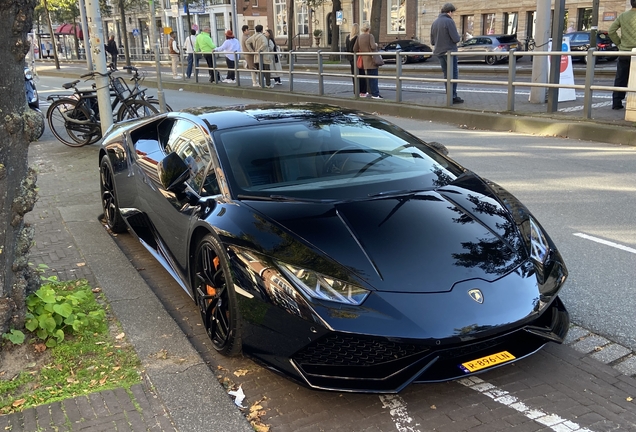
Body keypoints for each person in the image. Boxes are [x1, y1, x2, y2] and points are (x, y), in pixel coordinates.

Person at [430, 3, 463, 104]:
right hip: (449, 52)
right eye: (452, 13)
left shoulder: (434, 22)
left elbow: (432, 41)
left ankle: (449, 95)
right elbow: (455, 38)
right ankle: (453, 96)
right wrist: (459, 36)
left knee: (446, 74)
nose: (453, 15)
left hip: (439, 52)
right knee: (453, 74)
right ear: (449, 12)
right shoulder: (449, 21)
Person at [609, 0, 636, 110]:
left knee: (621, 78)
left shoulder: (623, 16)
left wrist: (619, 44)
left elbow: (611, 31)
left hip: (624, 52)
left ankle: (617, 102)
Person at [353, 21, 382, 99]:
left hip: (365, 60)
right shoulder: (370, 36)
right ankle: (375, 94)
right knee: (374, 78)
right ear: (369, 29)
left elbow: (354, 48)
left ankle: (372, 93)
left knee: (370, 77)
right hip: (372, 60)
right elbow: (373, 46)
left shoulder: (359, 37)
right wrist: (376, 45)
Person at [346, 23, 367, 97]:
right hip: (357, 58)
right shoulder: (357, 38)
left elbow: (347, 48)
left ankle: (356, 90)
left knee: (354, 75)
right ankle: (362, 91)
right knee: (361, 74)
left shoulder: (348, 37)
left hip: (350, 58)